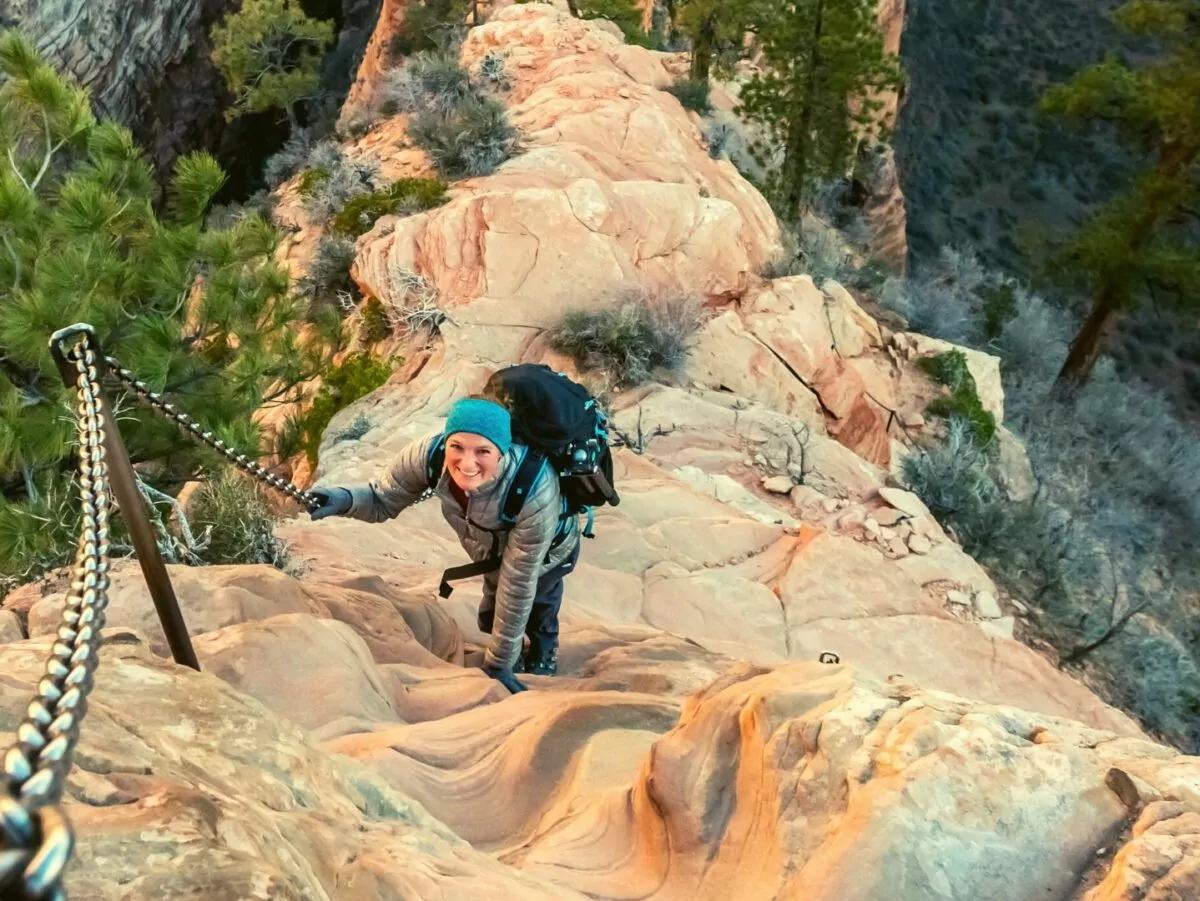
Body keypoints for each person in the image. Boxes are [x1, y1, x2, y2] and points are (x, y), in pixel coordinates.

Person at [307, 396, 580, 693]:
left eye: (483, 451)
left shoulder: (533, 488)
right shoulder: (429, 456)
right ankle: (513, 651)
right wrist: (343, 499)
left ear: (502, 452)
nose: (467, 462)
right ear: (446, 440)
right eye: (457, 447)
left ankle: (544, 649)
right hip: (491, 550)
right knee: (491, 613)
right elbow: (382, 499)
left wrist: (499, 665)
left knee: (539, 602)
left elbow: (517, 584)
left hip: (550, 551)